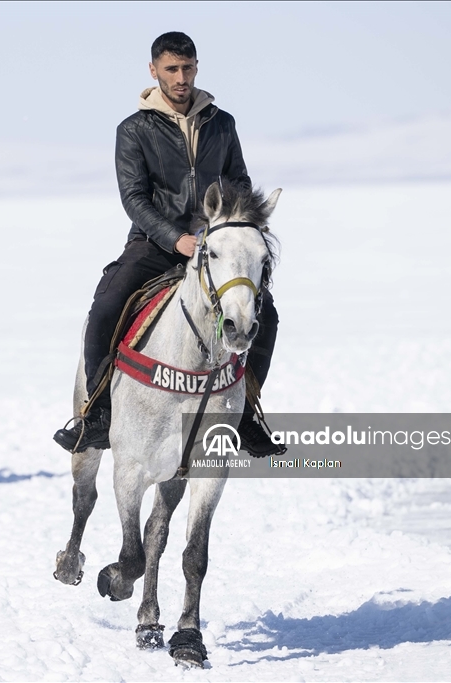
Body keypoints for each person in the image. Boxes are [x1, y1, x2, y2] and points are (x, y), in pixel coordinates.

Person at [53, 32, 282, 456]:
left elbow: (240, 182)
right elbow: (134, 198)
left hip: (213, 245)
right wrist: (175, 239)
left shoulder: (222, 123)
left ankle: (247, 413)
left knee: (264, 316)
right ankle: (97, 414)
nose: (181, 78)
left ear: (197, 67)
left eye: (188, 68)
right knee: (105, 308)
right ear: (154, 70)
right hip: (153, 243)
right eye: (172, 69)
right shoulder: (134, 129)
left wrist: (230, 224)